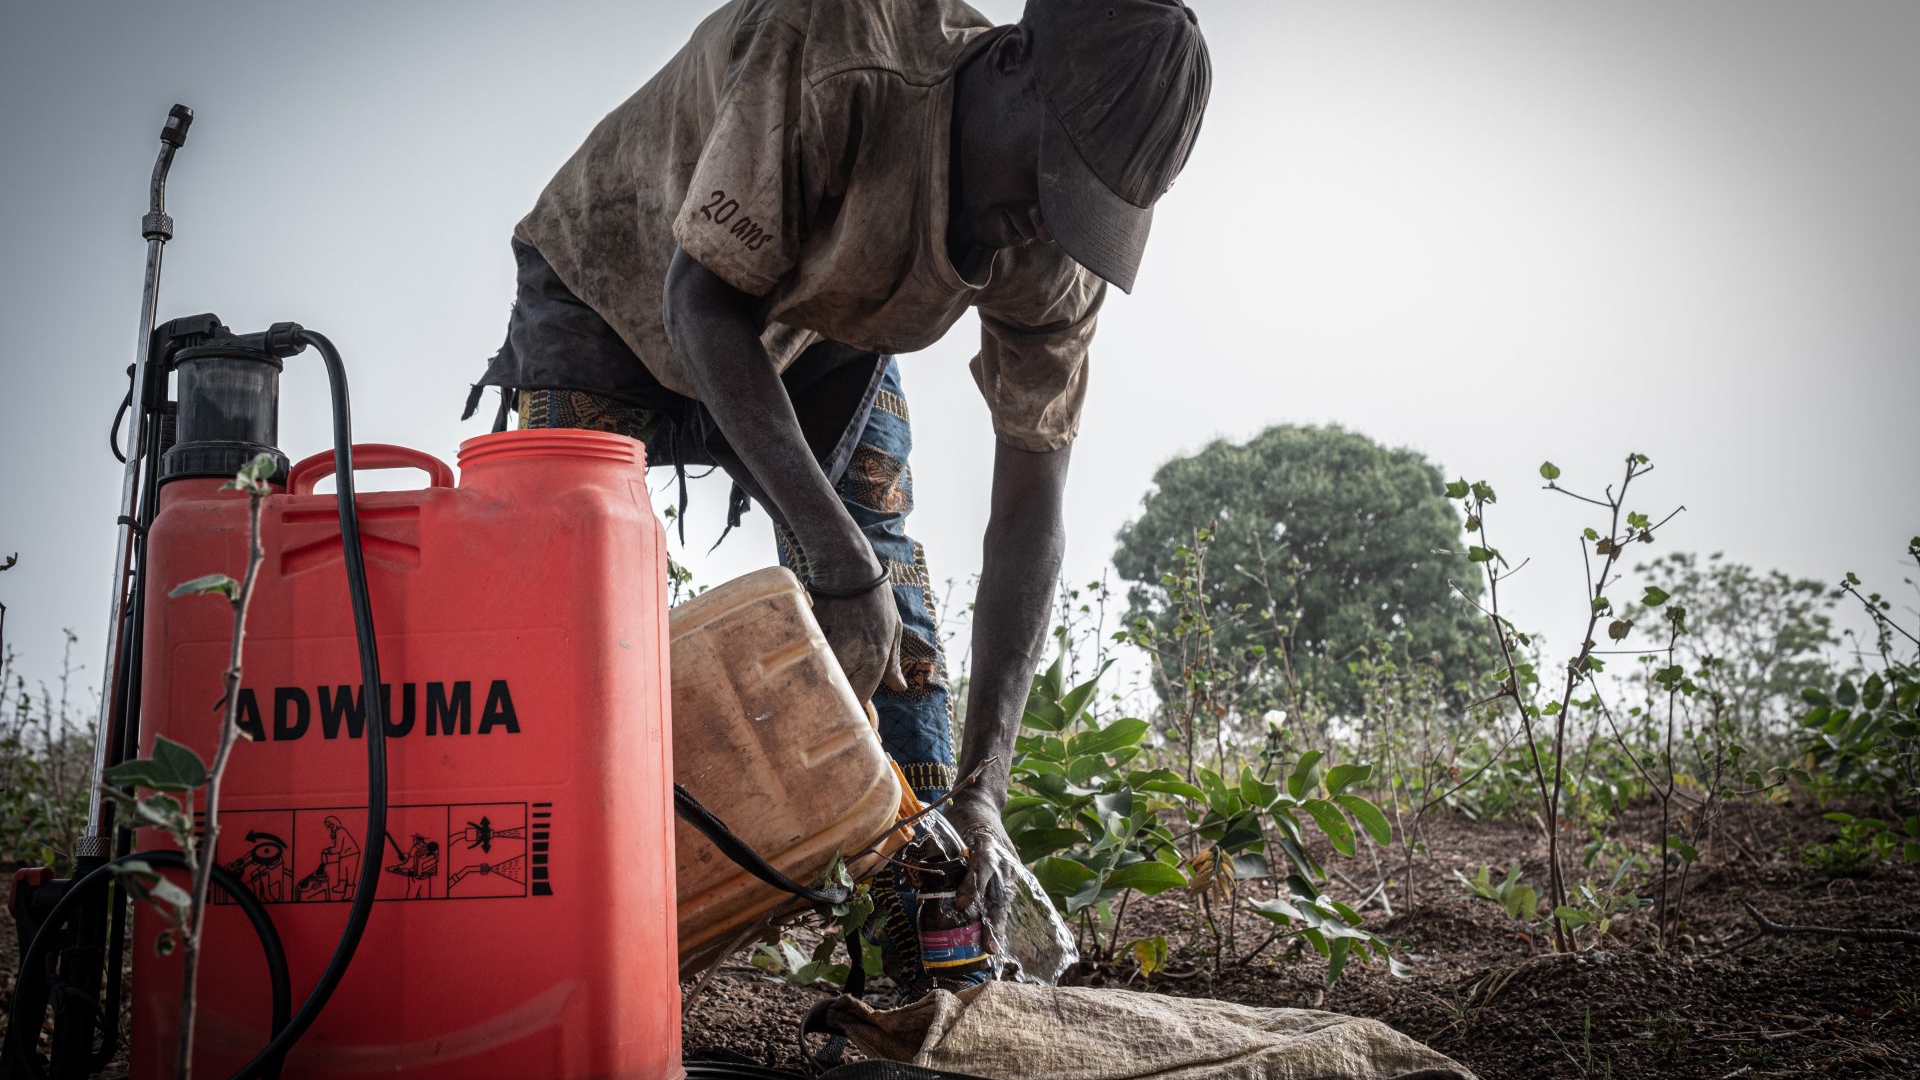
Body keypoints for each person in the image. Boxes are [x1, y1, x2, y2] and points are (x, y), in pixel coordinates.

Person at [466, 0, 1209, 989]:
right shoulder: (838, 53)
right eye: (1049, 177)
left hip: (825, 328)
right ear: (1011, 64)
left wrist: (985, 786)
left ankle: (928, 953)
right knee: (556, 624)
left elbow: (1031, 507)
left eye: (1084, 207)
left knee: (892, 611)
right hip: (620, 274)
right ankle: (530, 949)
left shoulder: (1057, 250)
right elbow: (702, 302)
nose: (1047, 218)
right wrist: (833, 556)